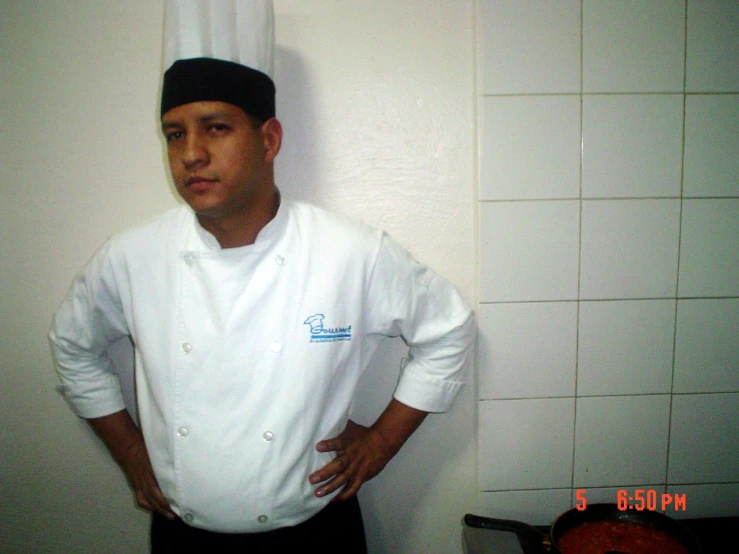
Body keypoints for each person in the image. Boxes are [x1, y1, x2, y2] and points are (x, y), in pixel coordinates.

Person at [49, 3, 475, 553]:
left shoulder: (350, 252)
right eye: (174, 134)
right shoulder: (132, 257)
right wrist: (131, 452)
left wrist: (382, 442)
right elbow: (72, 347)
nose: (191, 155)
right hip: (183, 536)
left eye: (216, 128)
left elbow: (448, 331)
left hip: (316, 533)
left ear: (269, 140)